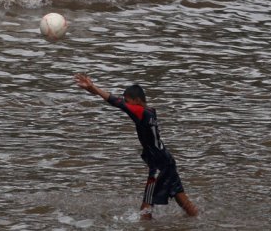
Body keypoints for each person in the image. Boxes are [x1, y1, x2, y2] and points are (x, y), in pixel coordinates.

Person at [74, 73, 198, 219]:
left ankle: (146, 227)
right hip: (166, 160)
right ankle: (199, 222)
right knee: (180, 197)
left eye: (129, 102)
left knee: (146, 206)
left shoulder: (140, 111)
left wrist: (94, 87)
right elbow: (116, 101)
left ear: (137, 100)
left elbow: (116, 102)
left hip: (159, 165)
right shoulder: (150, 111)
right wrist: (92, 89)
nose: (127, 106)